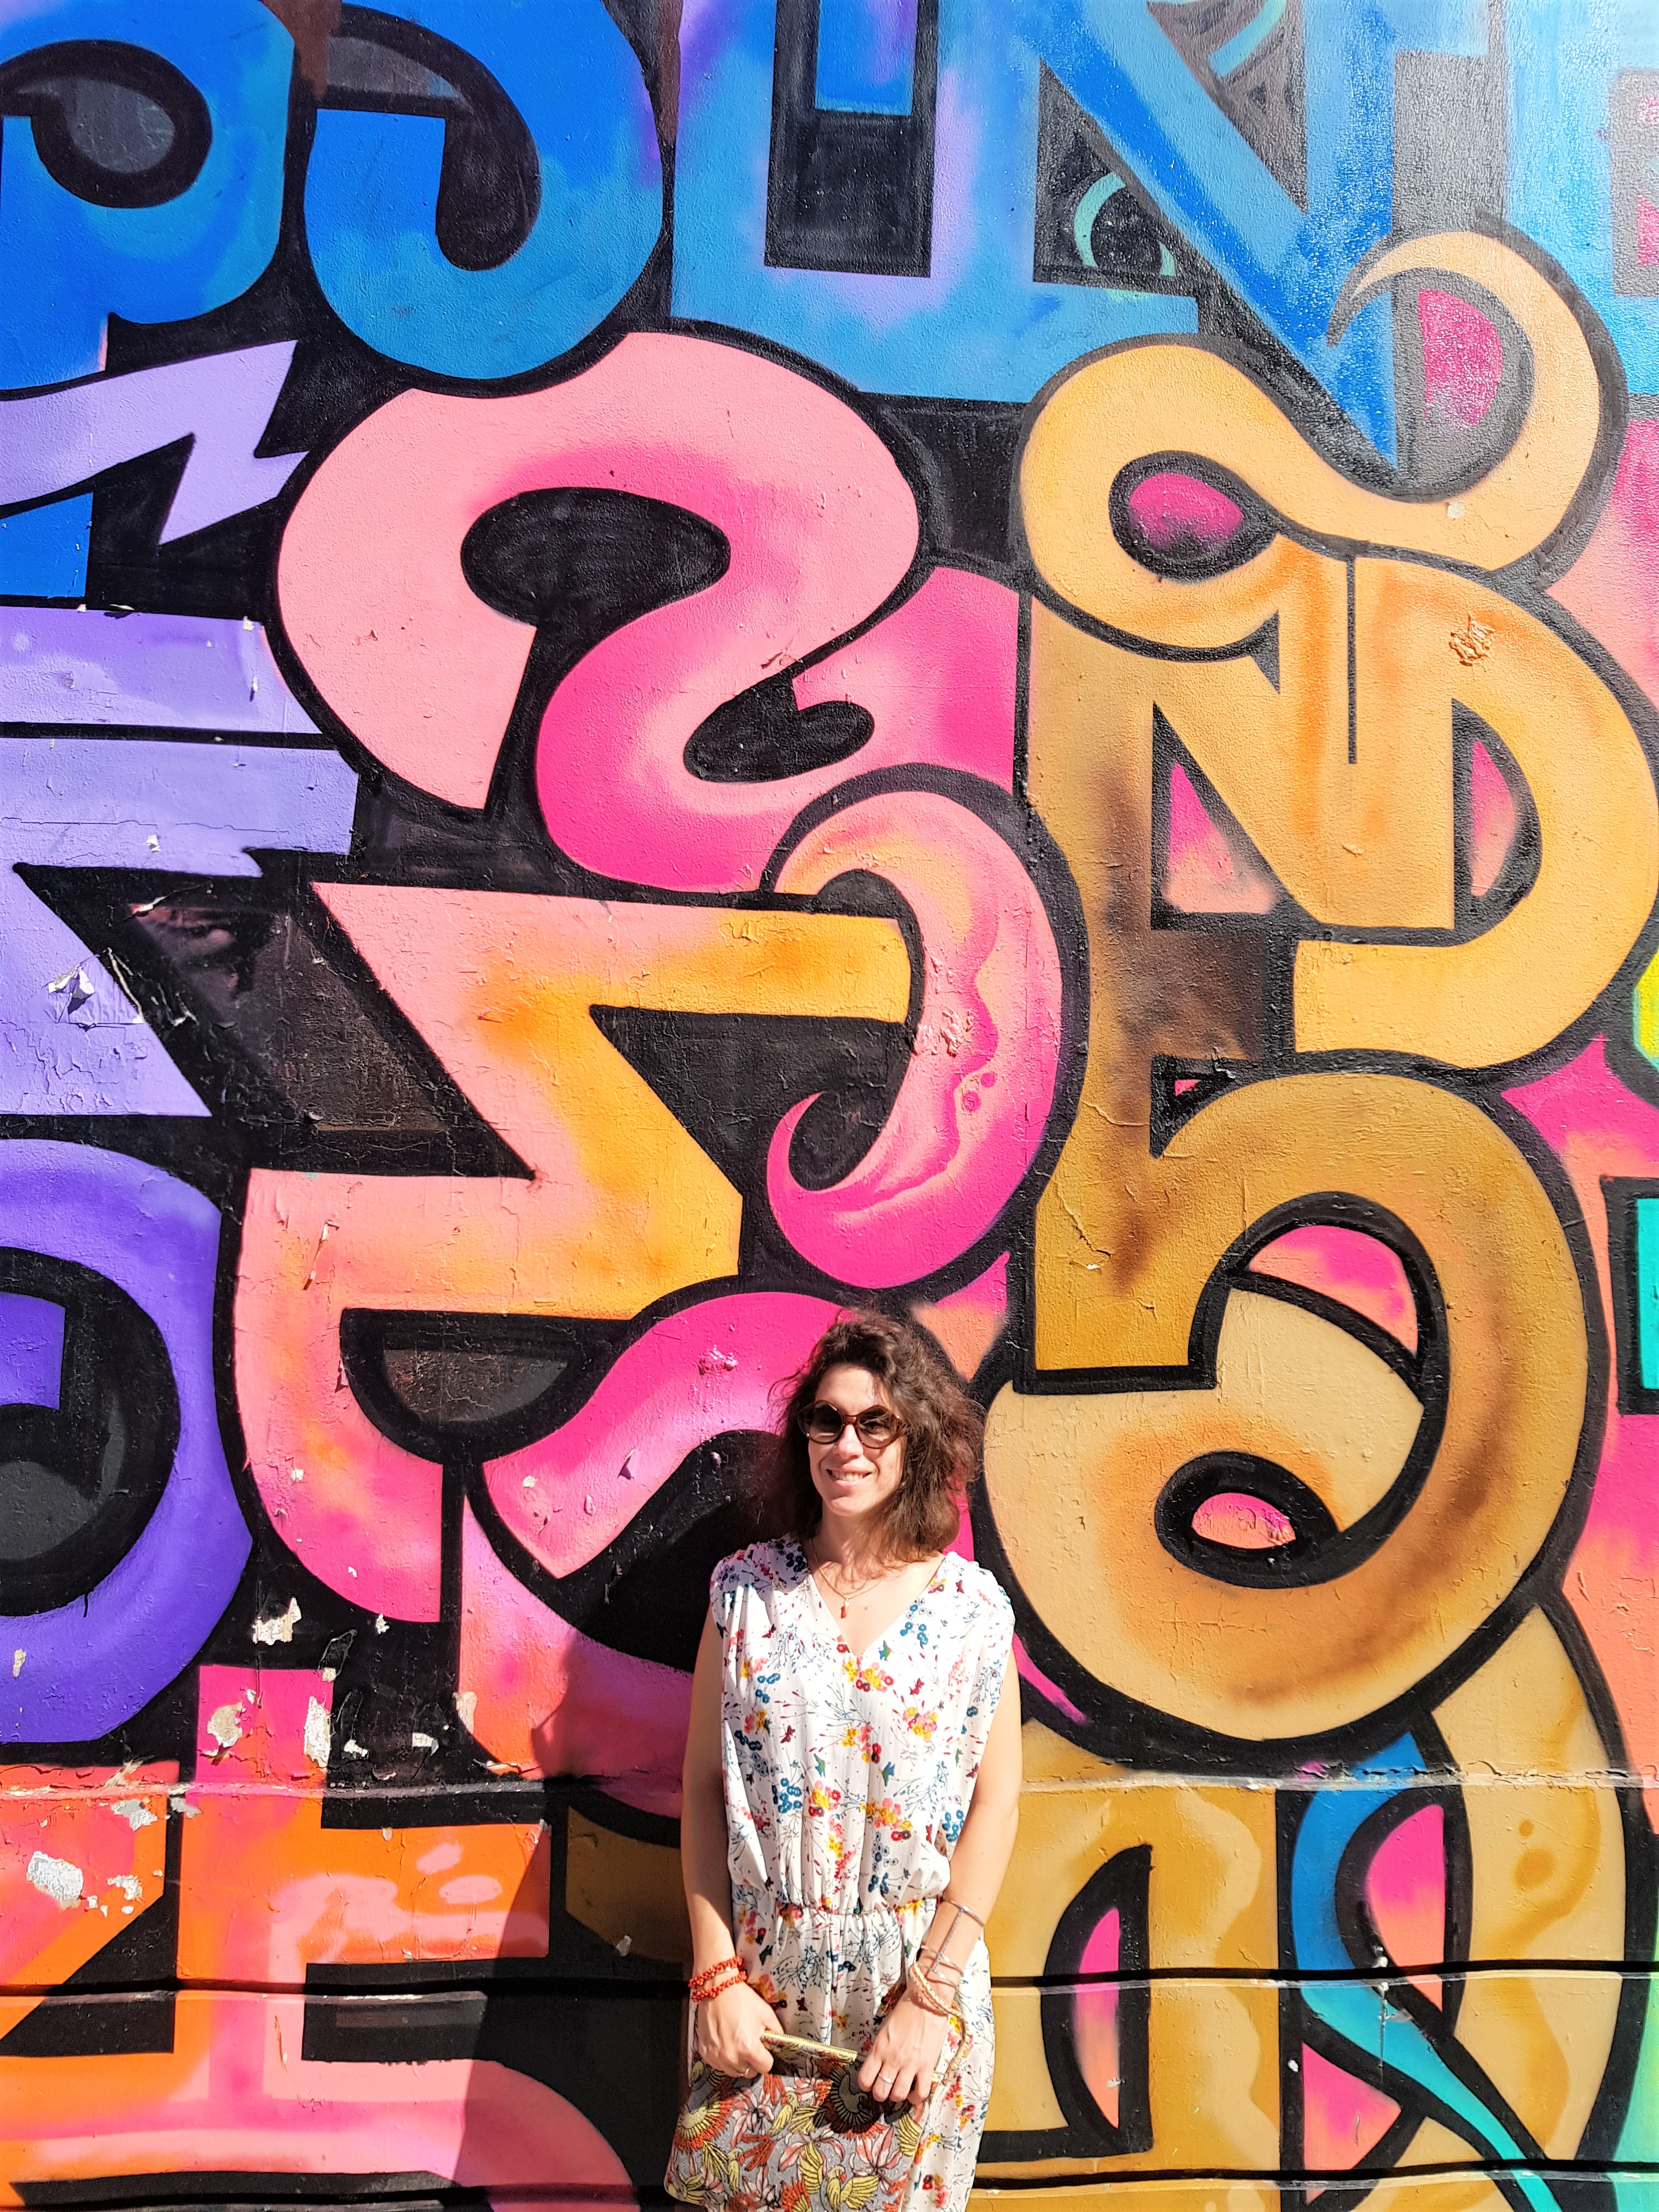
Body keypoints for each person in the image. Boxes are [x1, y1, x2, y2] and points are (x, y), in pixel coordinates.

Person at [679, 1310, 1022, 2207]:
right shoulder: (744, 1594)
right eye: (826, 1421)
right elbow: (705, 1787)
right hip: (759, 1990)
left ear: (916, 1440)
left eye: (876, 1423)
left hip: (913, 1989)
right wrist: (714, 1978)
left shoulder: (972, 1612)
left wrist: (930, 2001)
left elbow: (997, 1806)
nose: (847, 1445)